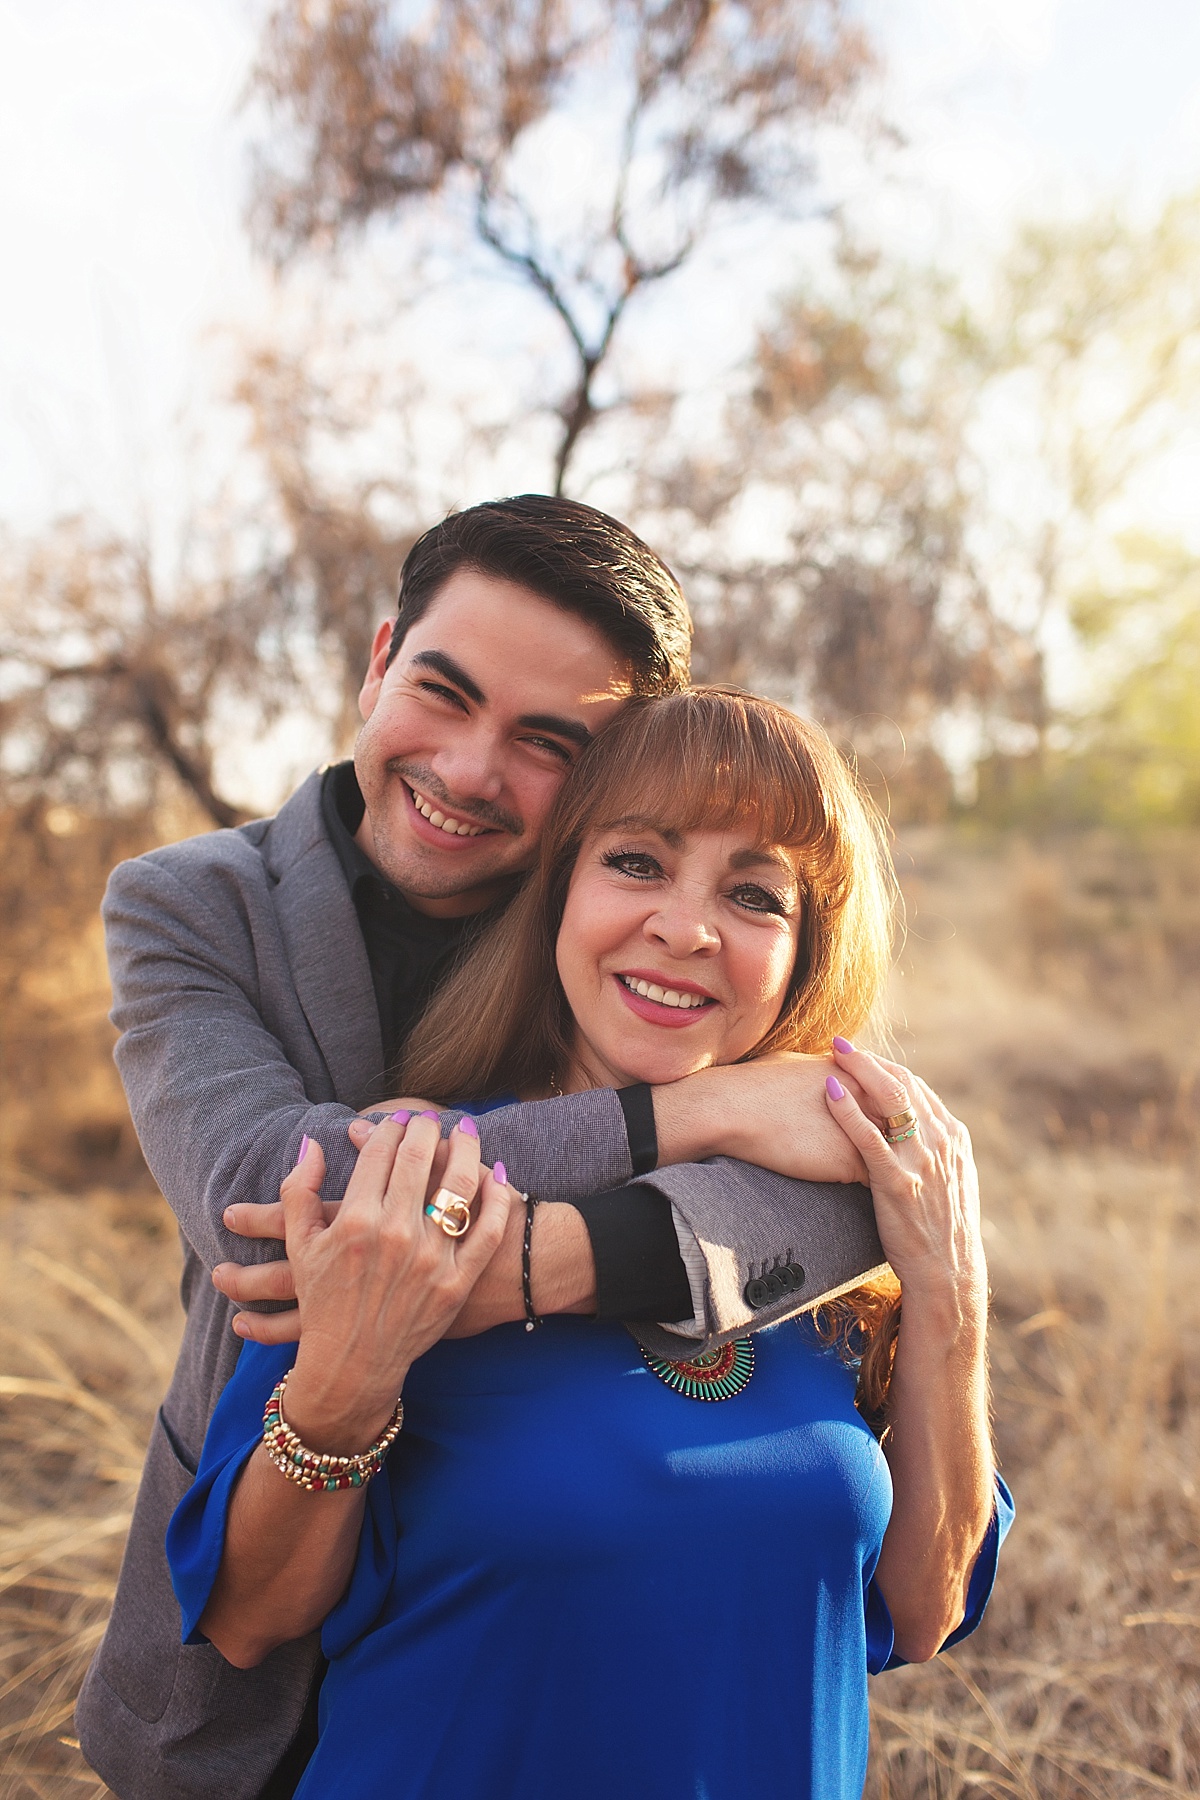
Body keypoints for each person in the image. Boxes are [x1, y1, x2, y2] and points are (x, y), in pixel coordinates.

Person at [77, 499, 888, 1800]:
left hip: (521, 1595)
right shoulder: (190, 904)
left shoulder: (623, 901)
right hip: (254, 1638)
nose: (465, 770)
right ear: (379, 657)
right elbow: (266, 1200)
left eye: (545, 742)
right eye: (441, 693)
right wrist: (682, 1118)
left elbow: (844, 1193)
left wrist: (541, 1259)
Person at [167, 688, 1012, 1800]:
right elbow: (247, 1617)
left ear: (803, 953)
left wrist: (947, 1295)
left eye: (753, 893)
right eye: (637, 863)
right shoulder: (426, 1168)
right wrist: (355, 1370)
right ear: (559, 892)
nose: (686, 926)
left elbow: (922, 1607)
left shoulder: (836, 1236)